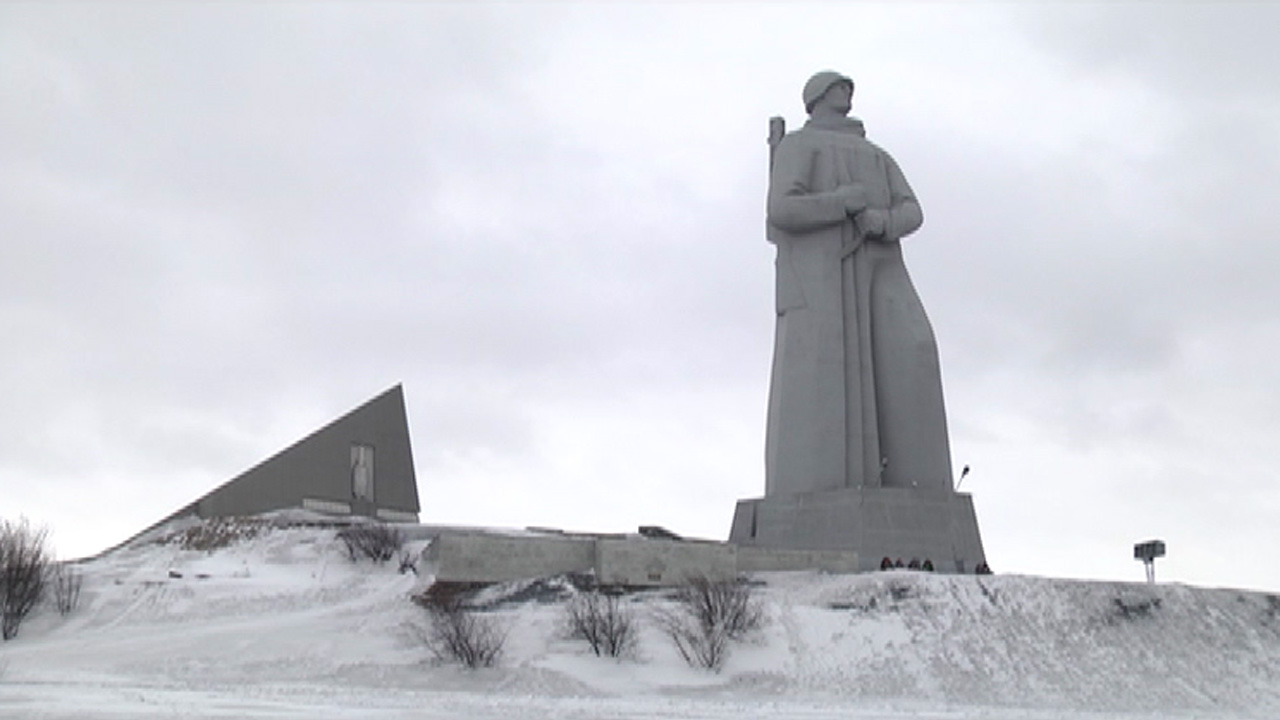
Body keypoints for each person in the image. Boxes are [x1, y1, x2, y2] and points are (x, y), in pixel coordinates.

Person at [765, 71, 953, 496]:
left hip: (882, 268)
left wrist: (882, 221)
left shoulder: (876, 155)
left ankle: (921, 485)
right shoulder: (800, 145)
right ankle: (823, 485)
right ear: (815, 97)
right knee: (823, 379)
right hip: (821, 278)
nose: (846, 91)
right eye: (837, 86)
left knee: (914, 350)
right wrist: (840, 203)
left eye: (848, 86)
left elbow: (912, 210)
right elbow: (782, 209)